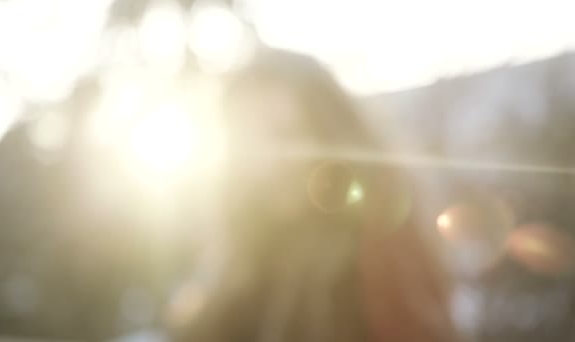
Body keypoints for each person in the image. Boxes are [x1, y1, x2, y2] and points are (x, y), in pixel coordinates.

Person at [170, 48, 457, 342]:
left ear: (329, 134)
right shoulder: (236, 261)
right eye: (248, 142)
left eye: (285, 133)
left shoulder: (381, 250)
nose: (267, 161)